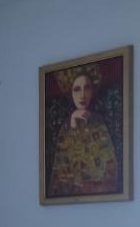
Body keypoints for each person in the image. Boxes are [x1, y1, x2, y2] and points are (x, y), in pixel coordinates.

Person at [48, 67, 118, 196]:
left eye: (87, 88)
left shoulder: (99, 122)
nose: (82, 95)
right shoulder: (65, 127)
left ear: (93, 91)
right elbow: (60, 176)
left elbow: (111, 169)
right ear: (70, 92)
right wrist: (73, 125)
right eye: (77, 89)